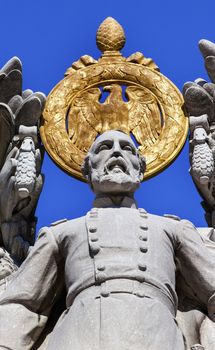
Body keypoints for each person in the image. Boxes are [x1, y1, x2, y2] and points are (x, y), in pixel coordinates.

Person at [0, 130, 215, 350]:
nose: (116, 152)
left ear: (140, 170)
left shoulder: (173, 228)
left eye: (126, 148)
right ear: (88, 170)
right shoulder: (61, 233)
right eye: (104, 148)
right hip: (81, 333)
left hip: (155, 334)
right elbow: (24, 302)